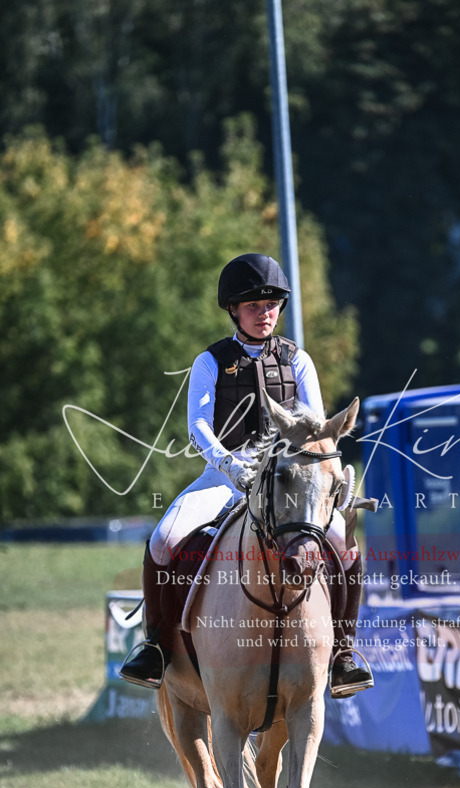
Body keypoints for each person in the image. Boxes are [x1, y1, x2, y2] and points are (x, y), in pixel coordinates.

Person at [120, 252, 373, 699]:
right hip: (224, 477)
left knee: (345, 545)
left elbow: (313, 423)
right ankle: (155, 647)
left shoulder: (298, 360)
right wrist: (229, 465)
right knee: (163, 538)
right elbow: (197, 426)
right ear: (233, 309)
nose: (265, 313)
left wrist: (327, 469)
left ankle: (344, 654)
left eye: (272, 304)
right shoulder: (210, 361)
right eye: (254, 305)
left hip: (287, 480)